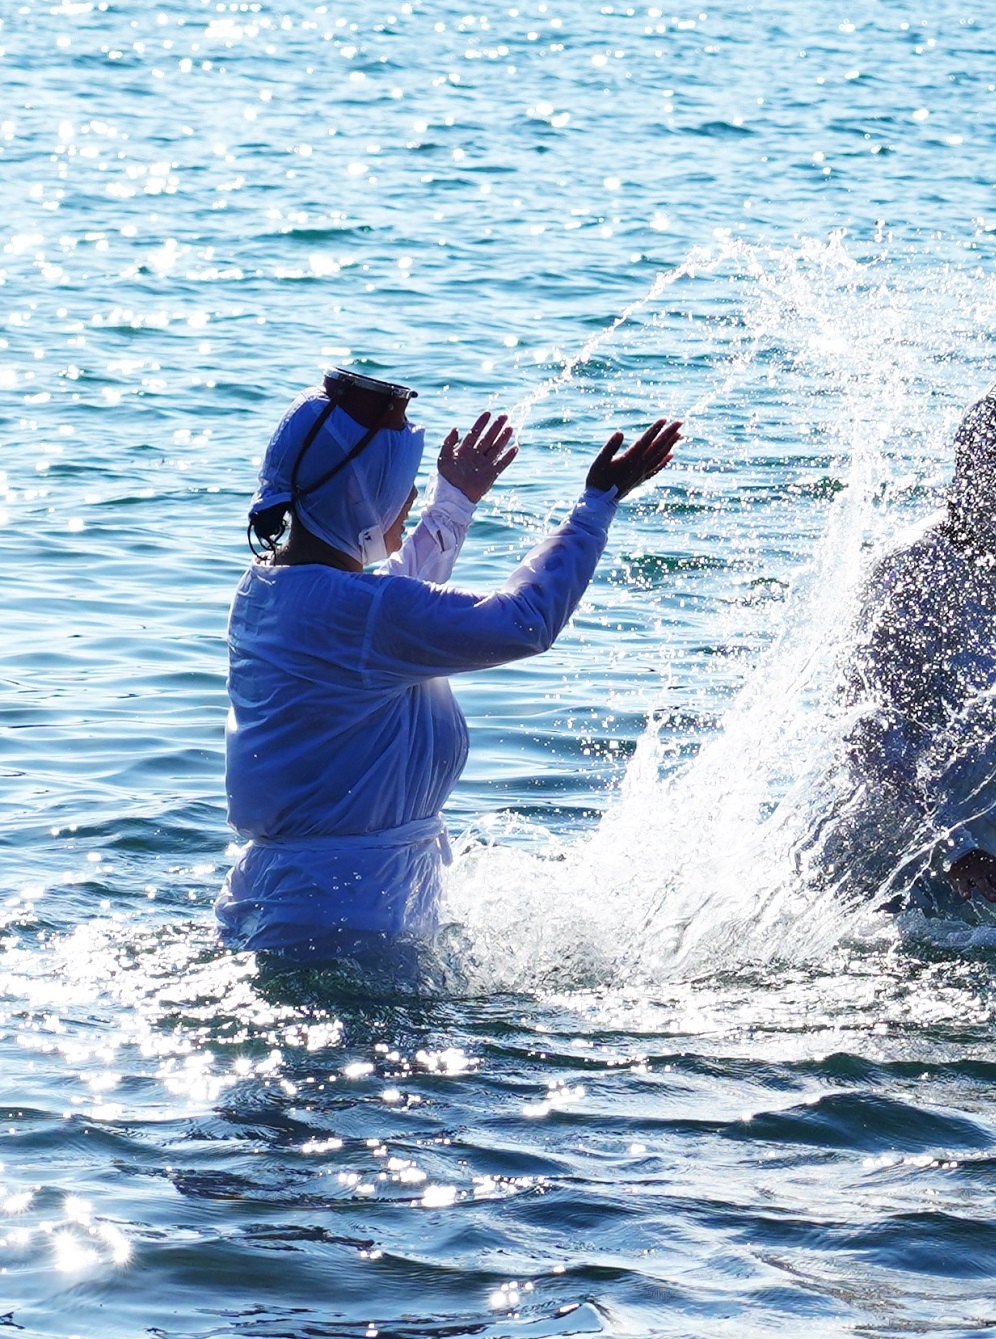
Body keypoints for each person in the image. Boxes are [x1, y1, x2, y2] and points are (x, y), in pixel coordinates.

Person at [216, 366, 683, 959]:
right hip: (352, 924)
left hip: (280, 904)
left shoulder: (270, 589)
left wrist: (454, 501)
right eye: (400, 487)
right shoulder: (361, 614)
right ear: (363, 496)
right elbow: (524, 621)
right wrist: (596, 508)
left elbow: (387, 619)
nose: (409, 498)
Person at [816, 373, 996, 912]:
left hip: (961, 872)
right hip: (878, 883)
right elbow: (865, 735)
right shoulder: (913, 574)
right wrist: (956, 849)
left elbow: (968, 717)